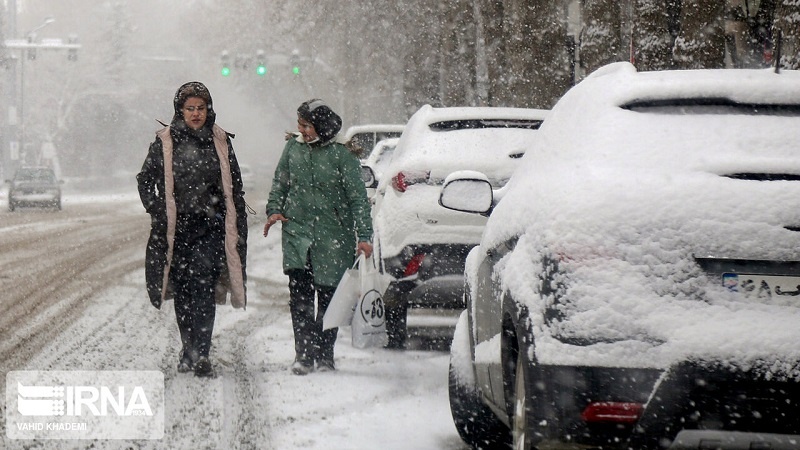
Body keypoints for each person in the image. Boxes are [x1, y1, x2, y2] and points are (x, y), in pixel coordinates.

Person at [137, 81, 248, 378]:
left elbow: (234, 185)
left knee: (203, 290)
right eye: (190, 109)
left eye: (200, 108)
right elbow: (145, 179)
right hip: (177, 231)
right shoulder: (165, 142)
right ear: (180, 110)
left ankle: (202, 352)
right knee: (184, 294)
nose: (196, 114)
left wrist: (233, 219)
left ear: (208, 109)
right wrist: (157, 209)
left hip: (210, 229)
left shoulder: (220, 140)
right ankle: (188, 349)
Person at [264, 99, 373, 375]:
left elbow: (358, 198)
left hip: (333, 239)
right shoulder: (293, 149)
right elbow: (280, 182)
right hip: (297, 235)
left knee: (328, 299)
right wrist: (274, 210)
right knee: (299, 298)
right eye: (299, 124)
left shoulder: (342, 155)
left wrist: (364, 235)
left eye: (306, 125)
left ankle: (325, 355)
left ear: (321, 127)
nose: (302, 130)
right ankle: (303, 355)